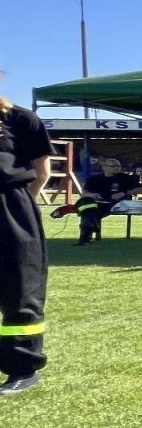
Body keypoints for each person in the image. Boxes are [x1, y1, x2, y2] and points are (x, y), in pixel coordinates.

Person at [0, 94, 51, 394]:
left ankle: (22, 368)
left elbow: (41, 171)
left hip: (11, 205)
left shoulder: (21, 119)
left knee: (20, 287)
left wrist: (22, 205)